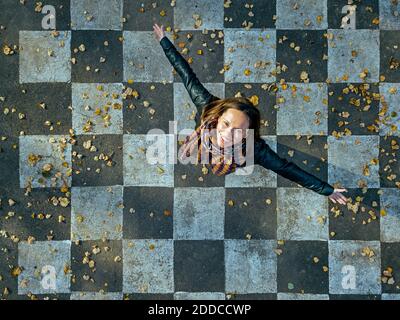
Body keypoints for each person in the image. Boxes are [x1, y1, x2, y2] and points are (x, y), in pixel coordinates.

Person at [153, 23, 348, 205]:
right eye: (226, 124)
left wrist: (326, 190)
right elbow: (186, 75)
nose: (228, 134)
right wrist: (164, 41)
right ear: (219, 116)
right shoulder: (207, 107)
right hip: (205, 142)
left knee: (230, 162)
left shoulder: (255, 150)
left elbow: (287, 170)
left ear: (249, 133)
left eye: (238, 130)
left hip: (235, 158)